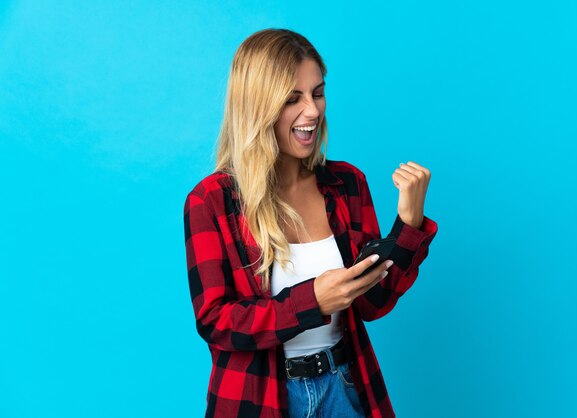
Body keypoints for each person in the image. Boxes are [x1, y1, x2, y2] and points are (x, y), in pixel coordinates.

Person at [183, 28, 439, 418]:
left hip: (346, 387)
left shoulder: (347, 184)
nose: (313, 111)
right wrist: (312, 301)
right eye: (292, 99)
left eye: (317, 93)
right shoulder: (212, 200)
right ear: (257, 106)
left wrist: (409, 223)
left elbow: (372, 302)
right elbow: (216, 321)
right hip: (261, 399)